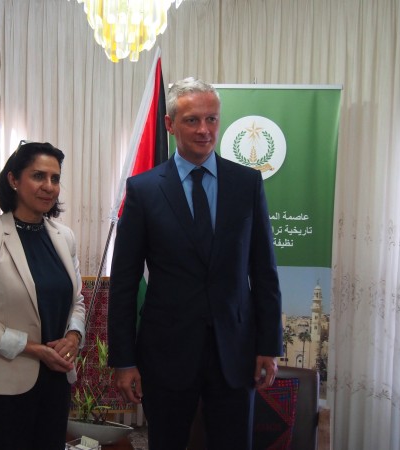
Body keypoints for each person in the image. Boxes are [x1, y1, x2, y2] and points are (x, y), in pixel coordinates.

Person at [107, 78, 283, 450]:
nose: (204, 130)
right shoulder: (143, 190)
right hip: (166, 354)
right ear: (170, 124)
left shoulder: (247, 184)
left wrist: (268, 346)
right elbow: (123, 283)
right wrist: (123, 360)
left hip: (235, 353)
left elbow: (264, 271)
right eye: (192, 120)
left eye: (211, 119)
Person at [0, 141, 85, 450]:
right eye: (38, 176)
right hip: (2, 384)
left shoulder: (64, 237)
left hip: (56, 378)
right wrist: (35, 349)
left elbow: (77, 302)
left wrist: (74, 336)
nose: (49, 186)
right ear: (14, 179)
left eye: (55, 178)